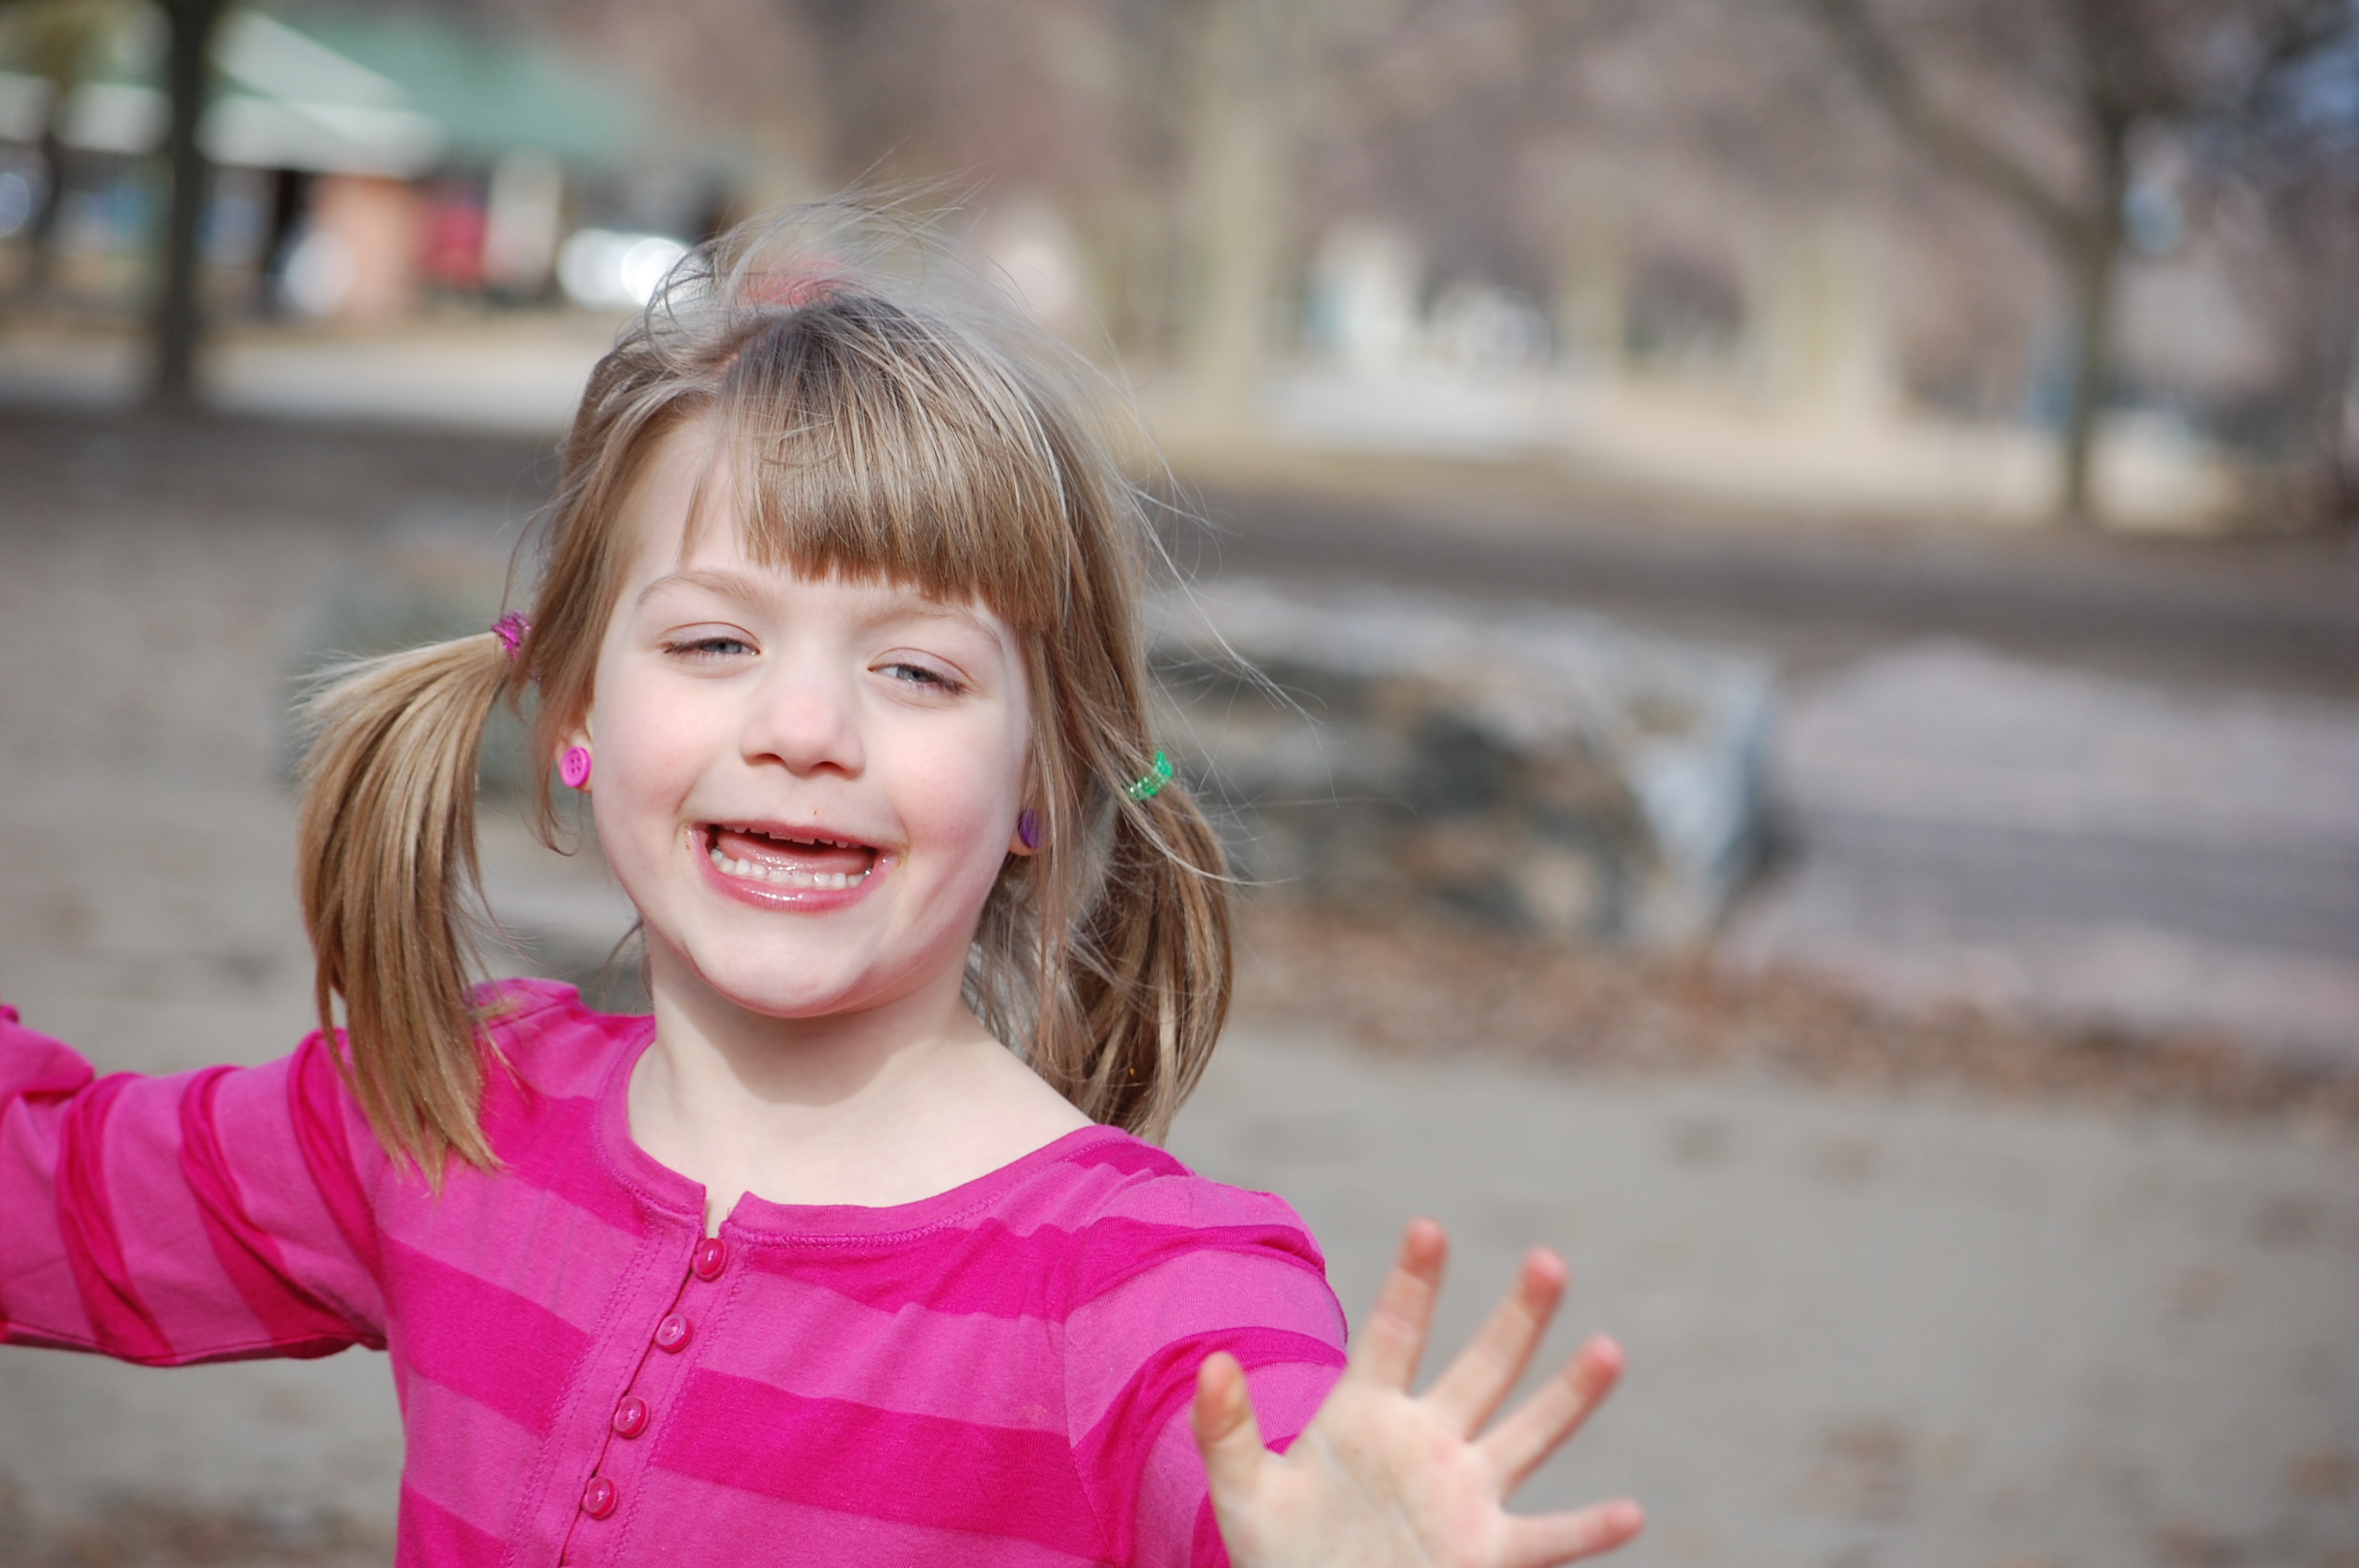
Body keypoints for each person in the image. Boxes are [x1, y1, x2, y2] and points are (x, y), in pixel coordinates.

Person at [0, 201, 1642, 1568]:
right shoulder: (443, 1107)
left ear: (1041, 780)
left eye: (917, 672)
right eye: (715, 642)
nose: (803, 729)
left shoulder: (1150, 1290)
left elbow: (1261, 1468)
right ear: (573, 716)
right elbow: (46, 1202)